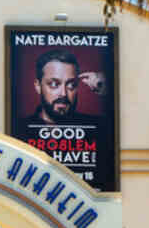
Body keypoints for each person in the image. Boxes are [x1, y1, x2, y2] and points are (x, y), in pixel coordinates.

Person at [13, 48, 114, 190]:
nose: (63, 93)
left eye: (71, 85)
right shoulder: (18, 131)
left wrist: (105, 85)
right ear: (38, 86)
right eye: (54, 84)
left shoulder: (98, 128)